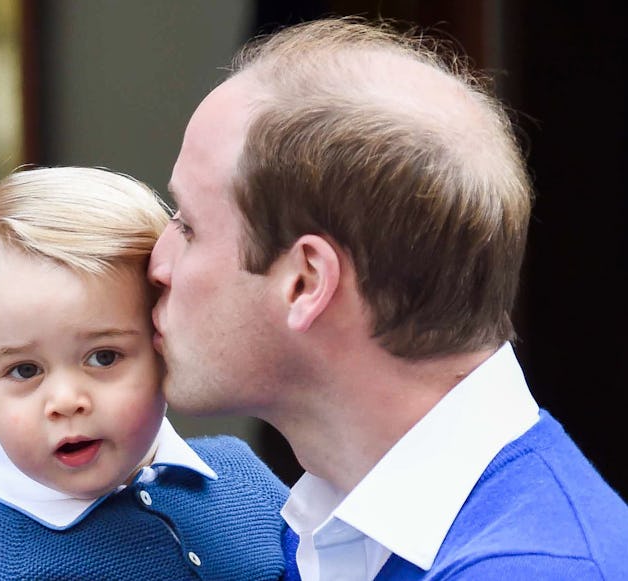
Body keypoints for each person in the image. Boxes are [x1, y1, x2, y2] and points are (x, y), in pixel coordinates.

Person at [147, 16, 628, 580]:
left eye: (189, 227)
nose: (156, 262)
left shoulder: (532, 568)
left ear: (304, 281)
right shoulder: (334, 529)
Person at [0, 166, 299, 580]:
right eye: (24, 370)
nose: (67, 400)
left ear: (165, 345)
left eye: (103, 357)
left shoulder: (243, 480)